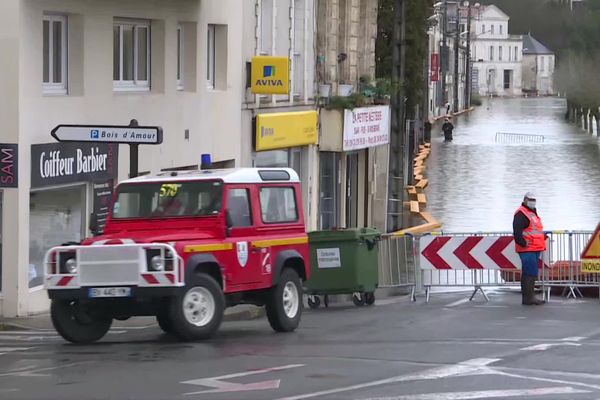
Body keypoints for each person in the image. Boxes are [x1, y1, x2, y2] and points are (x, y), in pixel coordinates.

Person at [513, 192, 546, 305]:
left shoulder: (531, 213)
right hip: (527, 248)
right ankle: (529, 298)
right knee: (530, 273)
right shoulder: (521, 213)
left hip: (534, 248)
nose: (533, 201)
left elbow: (534, 230)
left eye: (534, 199)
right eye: (531, 199)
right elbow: (517, 231)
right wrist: (522, 243)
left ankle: (528, 297)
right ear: (525, 200)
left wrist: (543, 236)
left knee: (529, 272)